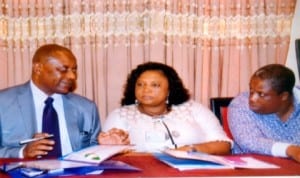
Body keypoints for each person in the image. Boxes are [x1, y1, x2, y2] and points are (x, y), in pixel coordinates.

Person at [98, 62, 232, 154]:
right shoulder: (120, 115)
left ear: (169, 90)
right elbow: (108, 156)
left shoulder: (193, 109)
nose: (146, 90)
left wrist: (191, 150)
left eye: (155, 85)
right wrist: (114, 146)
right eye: (140, 84)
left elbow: (224, 145)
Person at [0, 44, 101, 158]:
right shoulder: (3, 103)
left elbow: (96, 152)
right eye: (63, 70)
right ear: (38, 68)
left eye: (74, 70)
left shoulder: (86, 108)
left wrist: (108, 145)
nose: (72, 76)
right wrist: (21, 153)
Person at [228, 64, 300, 163]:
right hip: (254, 169)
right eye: (251, 91)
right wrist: (289, 150)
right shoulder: (241, 104)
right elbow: (249, 141)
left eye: (261, 94)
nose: (252, 99)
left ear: (284, 96)